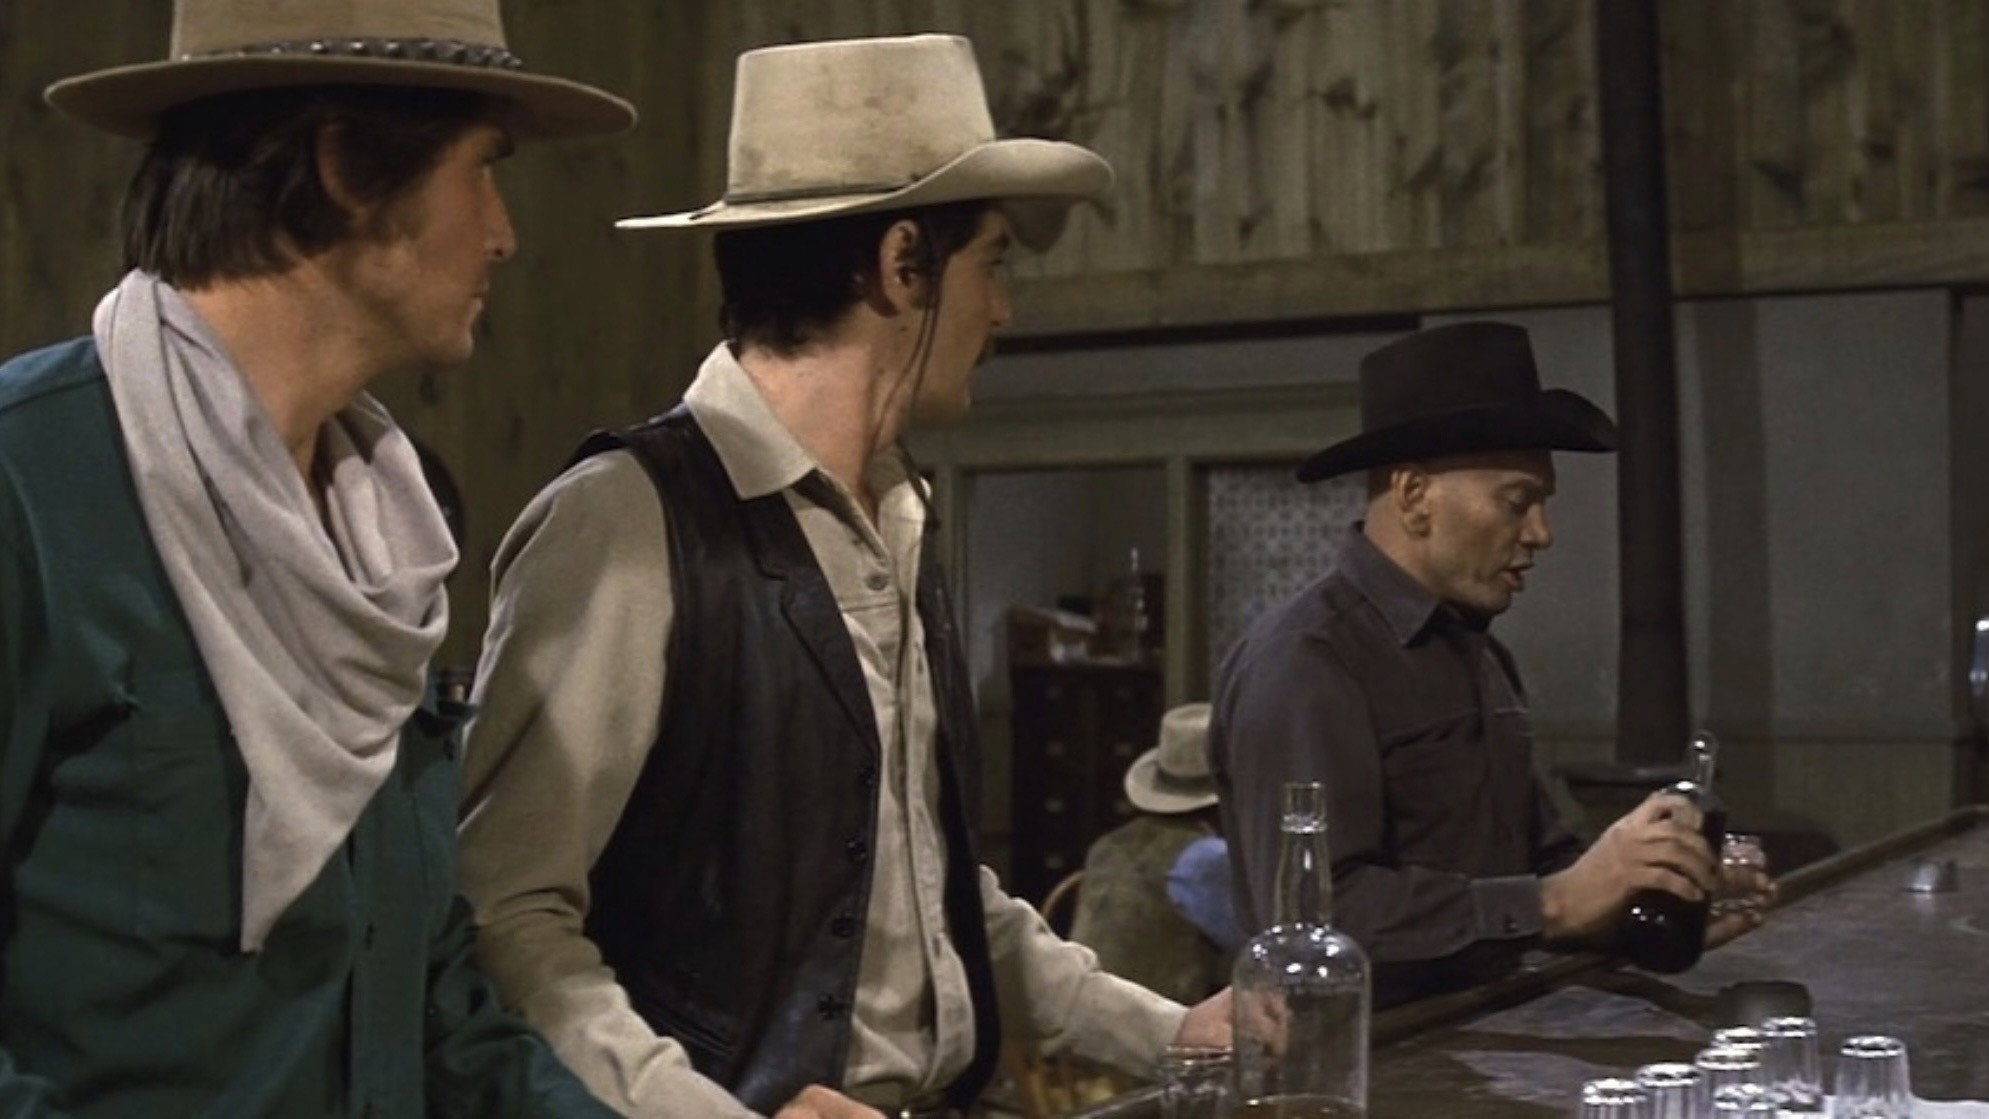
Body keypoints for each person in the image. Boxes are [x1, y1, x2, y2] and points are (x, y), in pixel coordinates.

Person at [459, 33, 1231, 1119]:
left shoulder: (897, 517)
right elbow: (508, 914)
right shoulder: (627, 519)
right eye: (994, 263)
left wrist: (1176, 1034)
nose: (1004, 311)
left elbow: (932, 901)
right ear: (903, 262)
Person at [0, 1, 634, 1114]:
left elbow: (436, 1009)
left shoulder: (387, 530)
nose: (501, 234)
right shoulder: (32, 484)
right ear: (346, 169)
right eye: (483, 170)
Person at [1208, 321, 1771, 1009]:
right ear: (1413, 496)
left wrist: (1653, 895)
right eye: (1516, 501)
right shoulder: (1307, 663)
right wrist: (1555, 902)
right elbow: (1314, 921)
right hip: (1367, 1056)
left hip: (1486, 1033)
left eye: (1542, 504)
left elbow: (1537, 867)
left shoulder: (1477, 653)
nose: (1541, 533)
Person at [1070, 704, 1234, 1005]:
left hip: (1086, 1016)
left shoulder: (1107, 845)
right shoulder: (1206, 860)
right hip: (1160, 1022)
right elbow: (1256, 945)